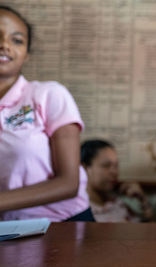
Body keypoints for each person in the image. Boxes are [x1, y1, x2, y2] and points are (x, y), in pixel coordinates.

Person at [0, 6, 93, 222]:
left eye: (17, 40)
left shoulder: (48, 95)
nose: (4, 45)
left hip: (62, 226)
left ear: (27, 54)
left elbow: (69, 184)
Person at [81, 139, 153, 222]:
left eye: (116, 166)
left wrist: (143, 201)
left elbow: (150, 231)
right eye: (106, 165)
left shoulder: (117, 204)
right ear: (85, 168)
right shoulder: (79, 210)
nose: (114, 172)